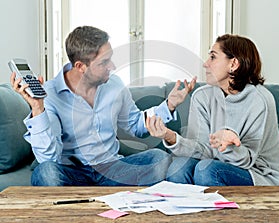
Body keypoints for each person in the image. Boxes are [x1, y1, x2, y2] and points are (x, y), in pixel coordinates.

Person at [11, 25, 196, 186]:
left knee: (158, 158)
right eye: (104, 62)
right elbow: (49, 159)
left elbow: (135, 124)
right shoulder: (49, 94)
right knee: (46, 173)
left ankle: (100, 198)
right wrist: (38, 108)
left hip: (113, 170)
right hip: (73, 174)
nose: (112, 66)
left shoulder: (114, 85)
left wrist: (169, 105)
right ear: (80, 66)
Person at [146, 34, 279, 186]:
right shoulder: (202, 96)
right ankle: (183, 210)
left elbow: (247, 161)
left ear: (233, 64)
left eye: (213, 57)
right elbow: (202, 151)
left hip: (259, 173)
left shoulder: (260, 100)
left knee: (207, 170)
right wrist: (171, 137)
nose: (205, 64)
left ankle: (221, 210)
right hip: (215, 162)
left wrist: (228, 145)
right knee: (179, 168)